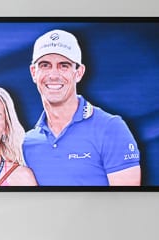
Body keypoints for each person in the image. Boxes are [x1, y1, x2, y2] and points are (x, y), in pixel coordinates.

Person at [24, 29, 141, 186]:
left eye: (63, 65)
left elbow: (129, 203)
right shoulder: (26, 143)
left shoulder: (111, 128)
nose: (53, 74)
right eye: (45, 65)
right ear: (33, 72)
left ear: (78, 73)